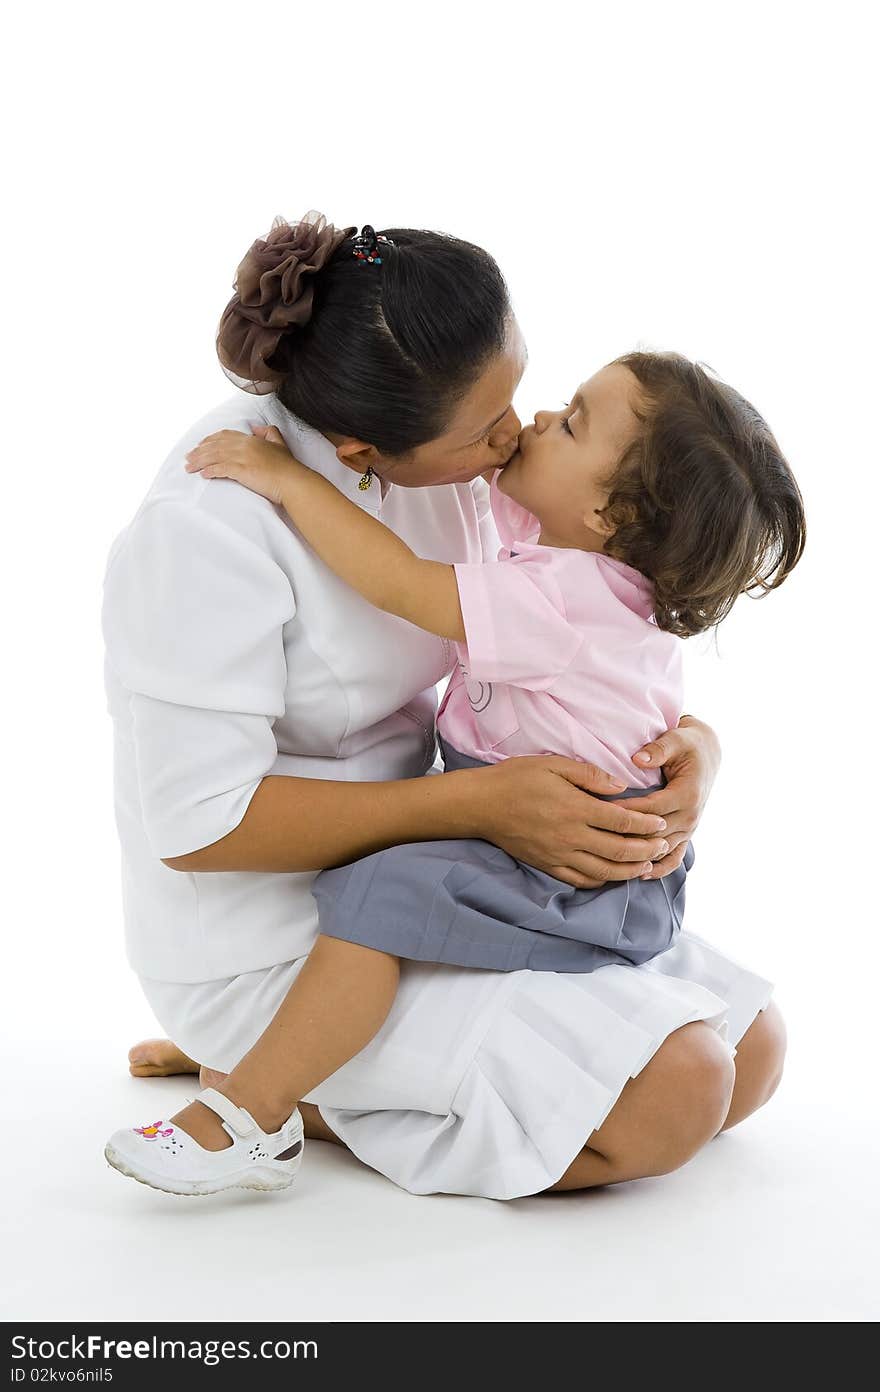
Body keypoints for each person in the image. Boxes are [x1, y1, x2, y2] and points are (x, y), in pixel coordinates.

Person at [102, 212, 788, 1201]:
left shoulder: (466, 468)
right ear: (360, 447)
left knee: (751, 1054)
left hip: (467, 857)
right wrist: (479, 804)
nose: (517, 433)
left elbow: (610, 646)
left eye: (523, 394)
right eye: (488, 427)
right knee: (678, 1091)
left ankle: (329, 1077)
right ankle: (270, 1091)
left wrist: (695, 757)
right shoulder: (206, 532)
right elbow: (197, 824)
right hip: (309, 924)